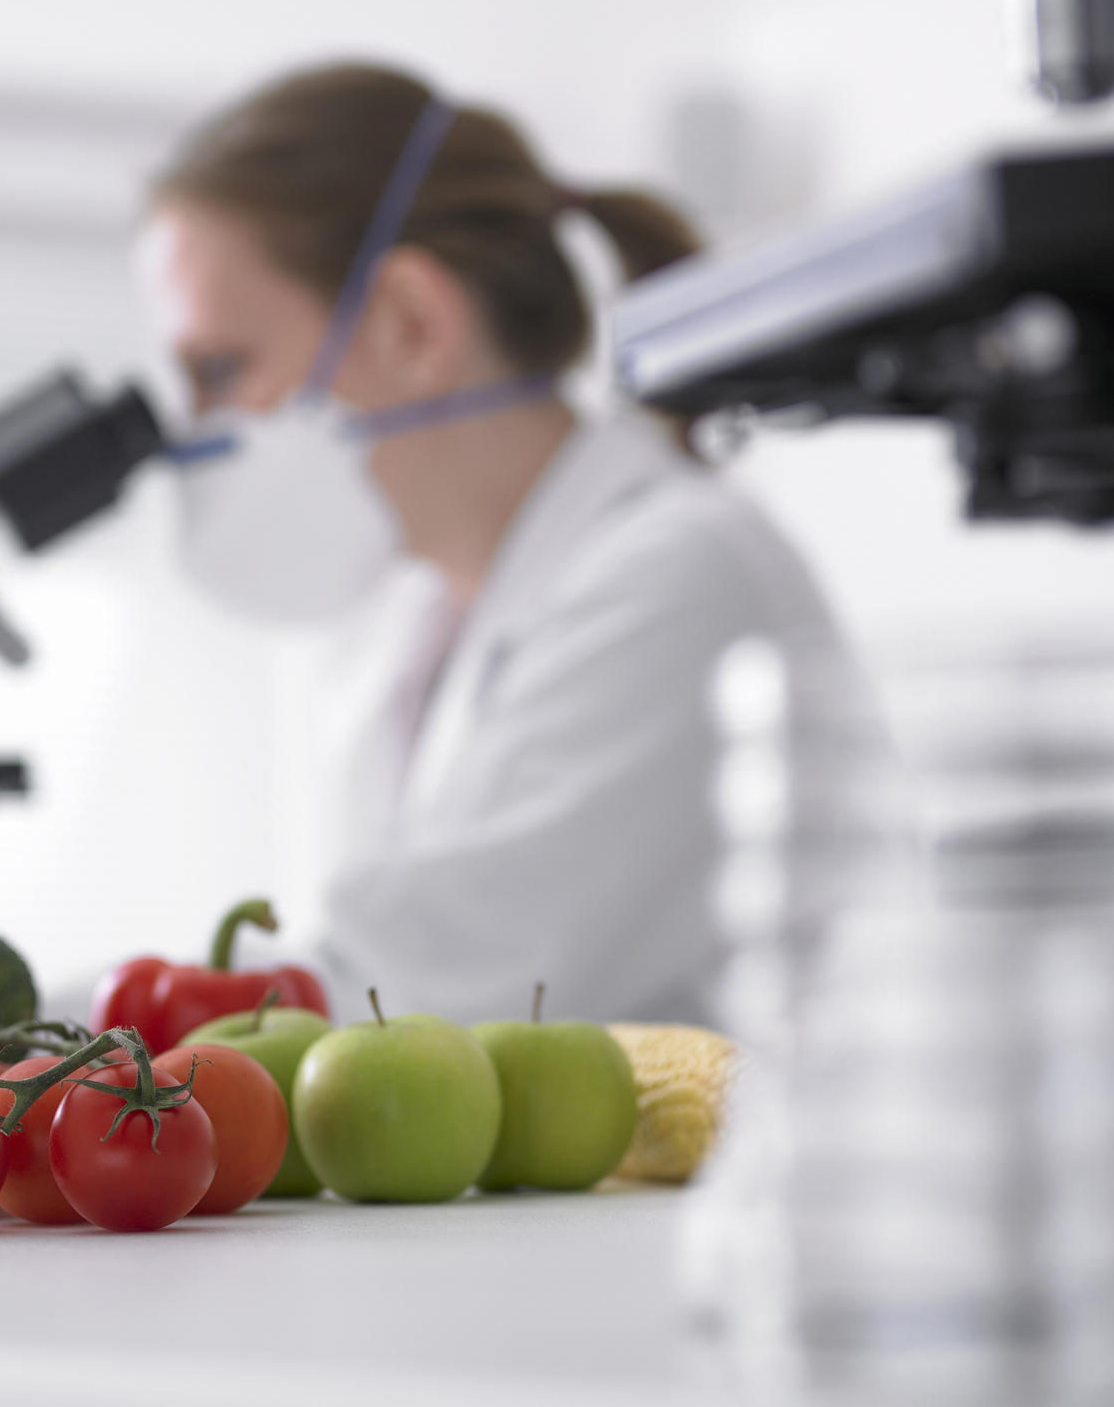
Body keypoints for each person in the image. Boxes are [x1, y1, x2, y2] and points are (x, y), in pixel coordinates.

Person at [139, 63, 868, 1028]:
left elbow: (389, 1003)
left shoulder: (678, 580)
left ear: (413, 323)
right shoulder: (406, 632)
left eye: (223, 368)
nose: (198, 432)